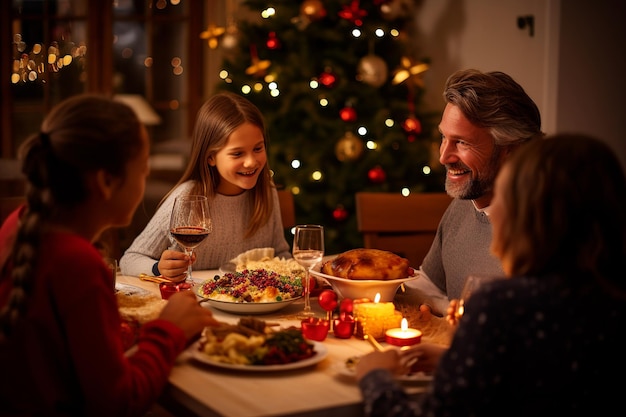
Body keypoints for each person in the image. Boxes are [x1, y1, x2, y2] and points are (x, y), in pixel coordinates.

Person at [356, 133, 626, 416]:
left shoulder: (503, 306)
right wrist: (460, 359)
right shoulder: (609, 303)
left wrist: (375, 378)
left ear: (524, 217)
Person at [0, 95, 219, 416]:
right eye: (144, 170)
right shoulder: (76, 263)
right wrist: (170, 330)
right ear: (105, 181)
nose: (145, 181)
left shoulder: (20, 223)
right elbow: (119, 402)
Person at [403, 69, 543, 316]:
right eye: (444, 138)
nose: (443, 157)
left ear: (511, 149)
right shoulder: (463, 203)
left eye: (462, 142)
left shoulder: (548, 228)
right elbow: (430, 287)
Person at [120, 91, 291, 280]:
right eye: (237, 154)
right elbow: (130, 259)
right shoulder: (186, 198)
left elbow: (281, 255)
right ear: (210, 157)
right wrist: (158, 268)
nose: (251, 162)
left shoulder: (267, 191)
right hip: (194, 302)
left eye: (258, 148)